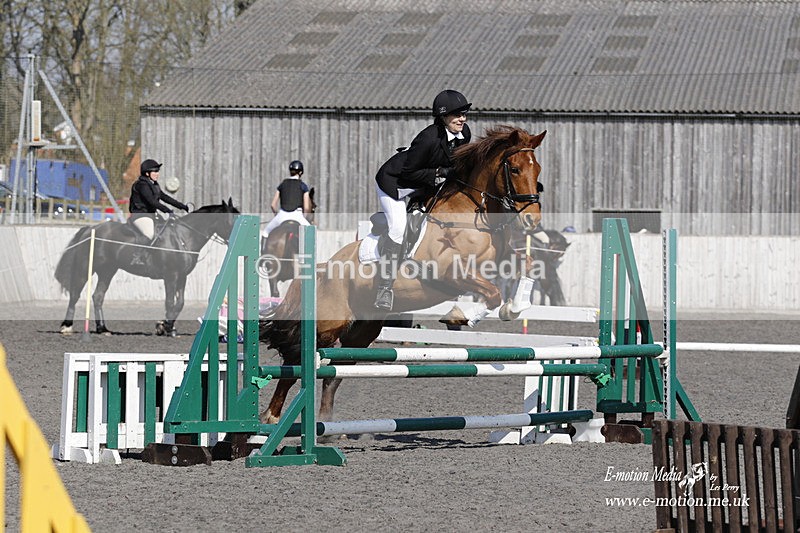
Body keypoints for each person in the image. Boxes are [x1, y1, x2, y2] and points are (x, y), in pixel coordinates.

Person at [372, 89, 473, 310]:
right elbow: (409, 173)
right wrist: (440, 173)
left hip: (423, 185)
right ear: (443, 116)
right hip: (395, 184)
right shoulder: (428, 138)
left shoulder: (464, 134)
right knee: (398, 228)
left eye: (464, 114)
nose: (462, 119)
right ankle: (384, 287)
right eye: (457, 115)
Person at [129, 159, 188, 265]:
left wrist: (181, 206)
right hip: (140, 215)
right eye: (155, 171)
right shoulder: (141, 185)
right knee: (149, 234)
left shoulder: (154, 184)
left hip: (151, 216)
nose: (157, 174)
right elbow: (152, 202)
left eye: (158, 171)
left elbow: (164, 197)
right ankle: (136, 257)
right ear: (147, 173)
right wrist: (167, 210)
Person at [261, 160, 313, 239]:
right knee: (311, 232)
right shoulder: (303, 186)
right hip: (297, 215)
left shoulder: (282, 184)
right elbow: (306, 207)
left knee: (265, 232)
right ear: (301, 172)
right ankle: (310, 252)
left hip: (282, 215)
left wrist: (277, 216)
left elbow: (273, 205)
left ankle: (262, 251)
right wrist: (304, 218)